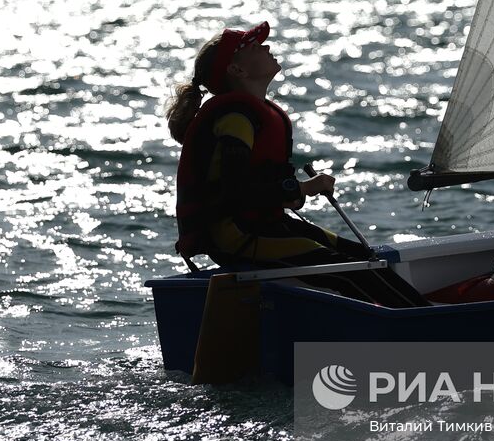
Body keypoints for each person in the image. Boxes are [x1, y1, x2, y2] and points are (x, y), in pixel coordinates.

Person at [166, 21, 426, 307]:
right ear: (237, 70)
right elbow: (237, 189)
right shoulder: (235, 118)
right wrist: (303, 187)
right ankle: (428, 330)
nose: (266, 47)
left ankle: (420, 322)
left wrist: (293, 192)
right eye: (254, 47)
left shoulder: (252, 112)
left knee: (366, 258)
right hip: (236, 236)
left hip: (267, 226)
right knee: (350, 272)